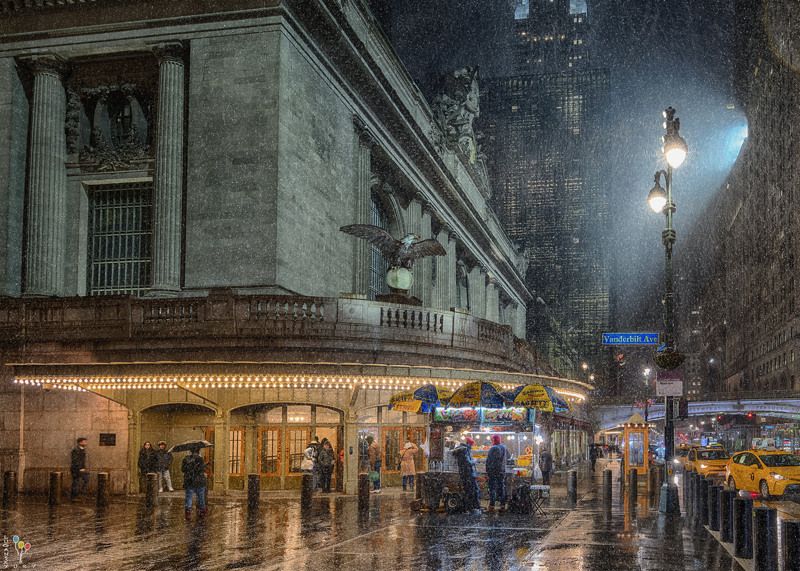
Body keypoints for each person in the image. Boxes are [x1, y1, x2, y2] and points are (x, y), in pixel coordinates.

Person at [453, 437, 480, 514]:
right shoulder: (464, 450)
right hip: (468, 474)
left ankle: (469, 507)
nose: (471, 447)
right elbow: (468, 463)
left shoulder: (462, 449)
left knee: (469, 491)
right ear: (468, 444)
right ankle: (468, 508)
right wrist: (474, 461)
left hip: (465, 474)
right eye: (471, 445)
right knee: (470, 491)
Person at [181, 446, 208, 520]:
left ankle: (188, 513)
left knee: (189, 498)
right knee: (201, 498)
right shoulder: (200, 459)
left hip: (189, 481)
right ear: (198, 451)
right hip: (199, 481)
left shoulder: (185, 459)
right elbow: (201, 469)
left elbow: (183, 469)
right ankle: (202, 512)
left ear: (190, 451)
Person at [486, 434, 508, 511]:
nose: (491, 441)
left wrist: (488, 471)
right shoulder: (504, 448)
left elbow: (489, 461)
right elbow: (507, 458)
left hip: (493, 471)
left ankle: (492, 505)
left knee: (492, 488)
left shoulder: (493, 448)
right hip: (501, 471)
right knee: (501, 488)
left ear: (494, 440)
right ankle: (502, 505)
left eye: (492, 439)